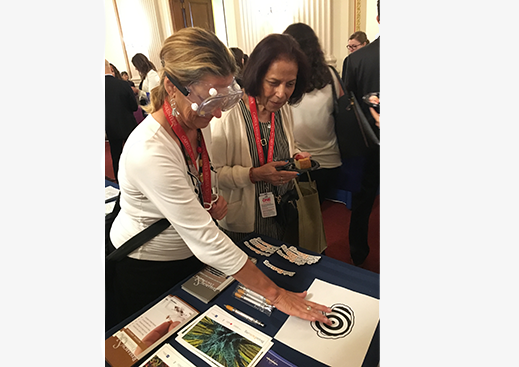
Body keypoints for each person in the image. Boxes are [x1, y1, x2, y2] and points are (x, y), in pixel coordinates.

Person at [110, 27, 332, 326]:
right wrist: (277, 295)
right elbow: (205, 237)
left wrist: (208, 199)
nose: (216, 115)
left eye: (224, 100)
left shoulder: (196, 123)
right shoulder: (150, 150)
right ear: (171, 86)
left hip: (191, 256)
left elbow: (205, 173)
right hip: (149, 264)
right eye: (208, 102)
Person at [210, 33, 312, 244]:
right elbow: (214, 176)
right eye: (273, 82)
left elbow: (285, 145)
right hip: (245, 222)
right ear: (256, 75)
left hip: (282, 211)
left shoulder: (283, 111)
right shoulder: (228, 114)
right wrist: (254, 174)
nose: (282, 93)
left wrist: (296, 155)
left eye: (290, 84)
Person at [283, 23, 344, 203]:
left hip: (295, 160)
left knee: (298, 212)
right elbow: (342, 106)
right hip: (330, 160)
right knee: (317, 208)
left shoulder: (285, 80)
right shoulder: (331, 75)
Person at [342, 0, 380, 266]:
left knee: (363, 203)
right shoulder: (354, 59)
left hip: (369, 145)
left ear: (377, 17)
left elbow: (348, 109)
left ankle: (358, 254)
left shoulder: (356, 60)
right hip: (369, 146)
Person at [105, 59, 139, 182]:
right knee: (135, 153)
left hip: (110, 128)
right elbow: (134, 107)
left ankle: (120, 183)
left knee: (116, 156)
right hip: (128, 124)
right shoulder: (123, 85)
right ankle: (137, 179)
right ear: (111, 68)